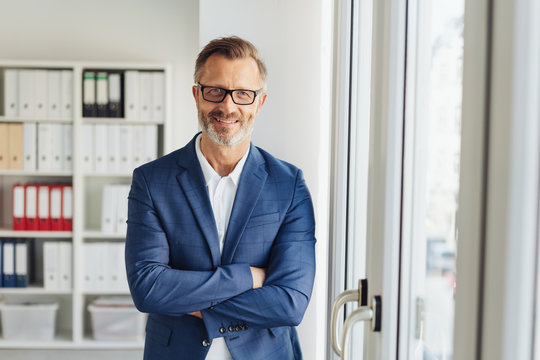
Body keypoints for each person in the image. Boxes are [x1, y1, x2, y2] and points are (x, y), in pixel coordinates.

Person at [125, 36, 316, 360]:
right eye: (215, 91)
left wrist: (194, 301)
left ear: (260, 102)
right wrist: (250, 277)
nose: (228, 106)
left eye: (243, 94)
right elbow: (149, 289)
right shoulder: (152, 181)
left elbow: (290, 301)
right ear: (197, 95)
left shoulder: (289, 184)